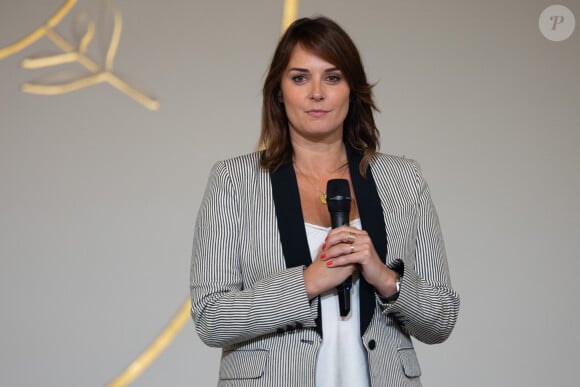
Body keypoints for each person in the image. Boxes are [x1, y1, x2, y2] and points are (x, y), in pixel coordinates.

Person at [190, 16, 459, 387]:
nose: (316, 92)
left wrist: (385, 278)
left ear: (353, 89)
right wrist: (306, 283)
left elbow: (441, 318)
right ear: (279, 92)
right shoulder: (234, 182)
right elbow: (210, 318)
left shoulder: (404, 180)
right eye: (300, 77)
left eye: (333, 77)